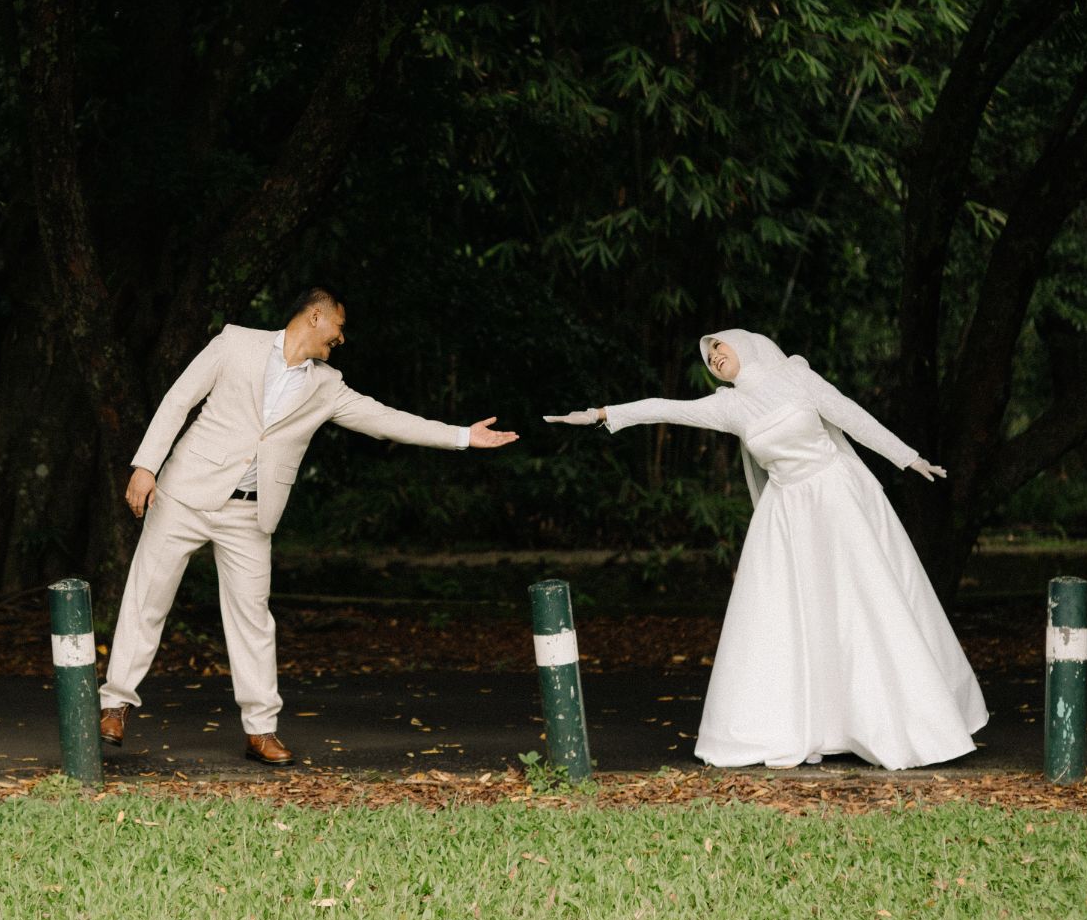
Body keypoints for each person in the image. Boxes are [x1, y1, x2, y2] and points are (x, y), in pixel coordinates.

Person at [99, 286, 519, 764]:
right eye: (339, 326)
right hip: (185, 493)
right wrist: (145, 466)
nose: (341, 338)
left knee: (254, 620)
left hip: (250, 514)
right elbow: (178, 400)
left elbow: (384, 419)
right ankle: (115, 704)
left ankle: (261, 731)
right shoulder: (235, 343)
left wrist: (462, 436)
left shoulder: (327, 386)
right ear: (315, 316)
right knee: (147, 598)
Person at [546, 328, 987, 770]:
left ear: (744, 343)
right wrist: (603, 414)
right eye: (709, 357)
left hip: (836, 497)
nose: (715, 358)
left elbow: (852, 416)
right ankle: (809, 726)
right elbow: (665, 408)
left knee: (860, 602)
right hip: (787, 513)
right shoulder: (728, 406)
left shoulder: (797, 377)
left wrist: (907, 457)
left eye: (720, 348)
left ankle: (897, 721)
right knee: (794, 615)